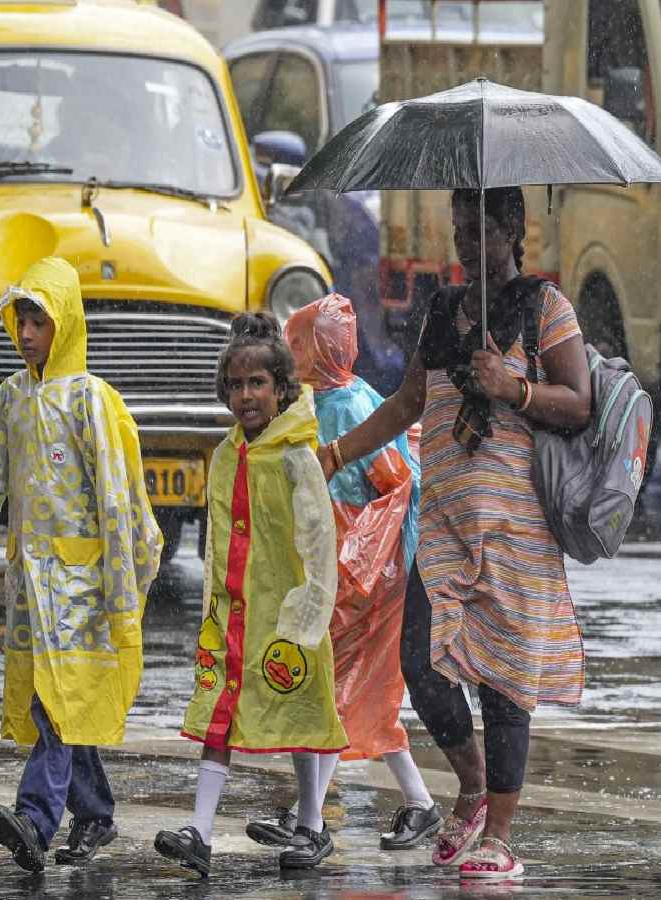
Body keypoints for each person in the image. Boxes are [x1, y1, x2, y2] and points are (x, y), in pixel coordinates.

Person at [318, 188, 591, 880]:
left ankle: (499, 835)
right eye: (461, 230)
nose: (468, 244)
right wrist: (336, 453)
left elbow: (579, 401)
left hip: (516, 529)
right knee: (421, 662)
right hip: (442, 520)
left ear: (514, 230)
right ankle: (470, 785)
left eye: (483, 230)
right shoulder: (443, 308)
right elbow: (410, 402)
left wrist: (514, 387)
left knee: (504, 680)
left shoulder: (544, 308)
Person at [0, 256, 162, 873]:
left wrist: (122, 594)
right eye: (21, 319)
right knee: (60, 702)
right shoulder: (10, 399)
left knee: (58, 704)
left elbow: (117, 502)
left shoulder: (91, 402)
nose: (27, 333)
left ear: (66, 323)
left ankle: (34, 818)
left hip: (84, 586)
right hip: (31, 588)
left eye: (39, 320)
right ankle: (96, 813)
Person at [153, 311, 348, 877]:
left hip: (289, 619)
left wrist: (310, 610)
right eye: (236, 385)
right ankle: (201, 831)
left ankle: (311, 824)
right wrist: (214, 607)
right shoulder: (223, 456)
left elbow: (317, 541)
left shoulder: (295, 456)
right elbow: (216, 540)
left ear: (281, 388)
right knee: (219, 714)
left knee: (301, 712)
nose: (245, 395)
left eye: (257, 383)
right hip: (232, 615)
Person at [243, 294, 440, 852]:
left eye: (298, 344)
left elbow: (395, 481)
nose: (291, 353)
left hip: (366, 576)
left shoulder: (351, 408)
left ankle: (309, 822)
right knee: (350, 691)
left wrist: (364, 550)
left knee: (329, 691)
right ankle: (418, 804)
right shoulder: (311, 404)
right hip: (333, 569)